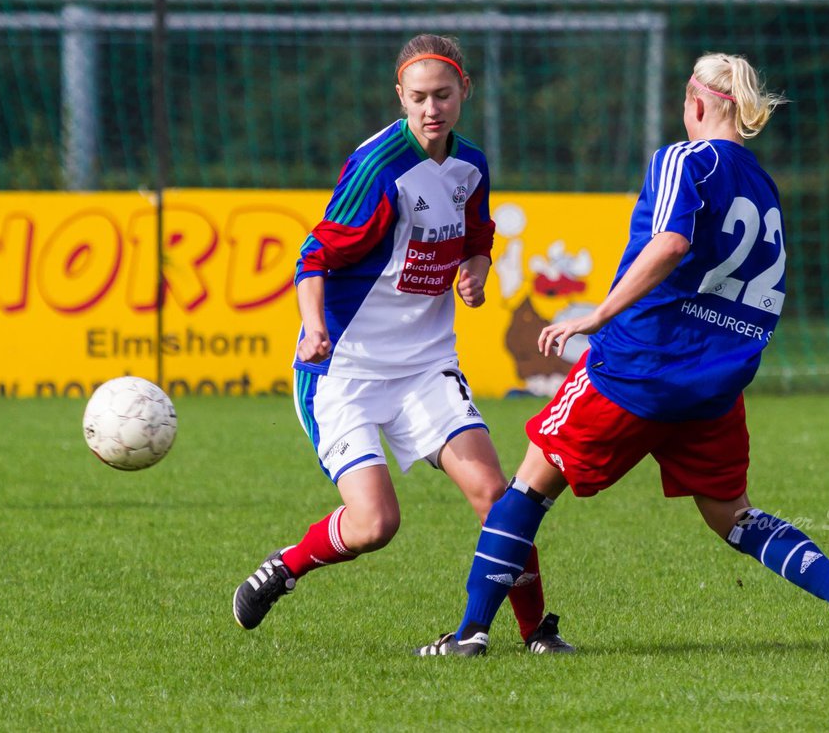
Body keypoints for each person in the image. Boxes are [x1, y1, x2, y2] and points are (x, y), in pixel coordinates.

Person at [416, 53, 829, 657]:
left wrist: (597, 315)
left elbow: (671, 241)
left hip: (636, 369)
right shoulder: (763, 185)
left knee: (528, 486)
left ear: (697, 105)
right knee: (736, 517)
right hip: (712, 388)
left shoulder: (684, 158)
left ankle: (470, 633)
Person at [232, 34, 573, 654]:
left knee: (497, 494)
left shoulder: (470, 163)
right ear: (400, 96)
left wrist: (476, 266)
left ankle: (536, 634)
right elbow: (314, 257)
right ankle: (285, 567)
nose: (430, 109)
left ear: (464, 91)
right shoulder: (378, 168)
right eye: (417, 98)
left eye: (443, 95)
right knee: (375, 524)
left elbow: (478, 232)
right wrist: (313, 329)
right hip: (345, 372)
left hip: (425, 364)